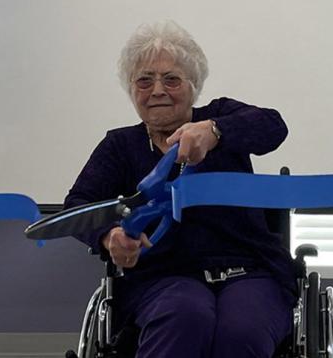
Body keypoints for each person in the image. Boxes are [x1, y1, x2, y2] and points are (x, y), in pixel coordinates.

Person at [63, 20, 294, 358]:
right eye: (145, 80)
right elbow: (77, 205)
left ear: (193, 85)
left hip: (249, 270)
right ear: (132, 90)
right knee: (184, 319)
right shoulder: (120, 146)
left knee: (242, 331)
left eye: (171, 79)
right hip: (163, 275)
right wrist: (109, 236)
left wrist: (215, 131)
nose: (157, 90)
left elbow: (274, 126)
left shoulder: (219, 117)